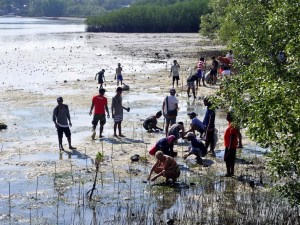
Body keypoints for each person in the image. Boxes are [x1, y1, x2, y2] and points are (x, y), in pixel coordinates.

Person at [224, 112, 239, 177]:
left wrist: (229, 149)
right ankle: (231, 172)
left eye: (227, 115)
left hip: (230, 146)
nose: (226, 117)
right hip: (231, 146)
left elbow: (232, 137)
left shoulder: (232, 125)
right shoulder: (231, 124)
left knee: (227, 159)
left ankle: (228, 173)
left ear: (231, 117)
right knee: (232, 159)